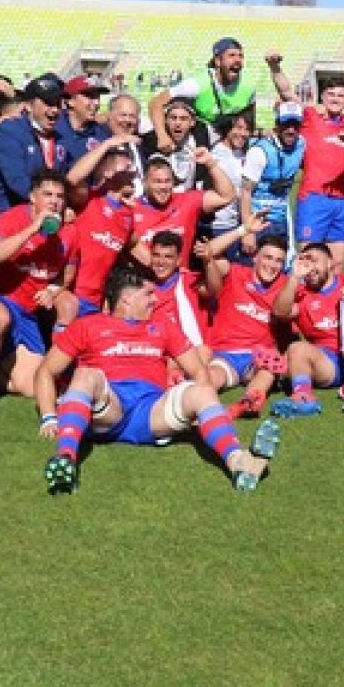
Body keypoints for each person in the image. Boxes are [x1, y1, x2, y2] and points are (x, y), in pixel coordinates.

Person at [35, 266, 282, 494]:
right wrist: (49, 417)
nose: (156, 299)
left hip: (152, 412)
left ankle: (239, 461)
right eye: (149, 294)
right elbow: (46, 370)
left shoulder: (163, 326)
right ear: (127, 299)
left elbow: (198, 370)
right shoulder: (88, 326)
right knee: (85, 374)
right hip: (109, 410)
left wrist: (204, 411)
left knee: (201, 391)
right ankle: (65, 457)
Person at [0, 170, 74, 419]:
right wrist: (33, 229)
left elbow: (66, 274)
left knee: (32, 387)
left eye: (60, 196)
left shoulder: (68, 232)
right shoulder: (12, 218)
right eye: (47, 195)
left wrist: (52, 290)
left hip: (25, 313)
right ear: (33, 197)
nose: (54, 201)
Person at [198, 216, 293, 419]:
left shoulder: (285, 285)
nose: (273, 265)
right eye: (268, 257)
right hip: (225, 353)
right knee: (214, 376)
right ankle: (196, 402)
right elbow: (209, 251)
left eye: (279, 261)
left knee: (269, 370)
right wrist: (243, 231)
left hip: (259, 357)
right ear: (255, 257)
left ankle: (248, 402)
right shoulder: (235, 273)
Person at [0, 73, 70, 262]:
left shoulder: (60, 139)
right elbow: (18, 181)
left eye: (58, 104)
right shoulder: (10, 131)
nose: (54, 110)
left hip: (28, 222)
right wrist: (59, 208)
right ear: (28, 105)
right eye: (48, 103)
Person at [270, 243, 344, 419]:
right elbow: (280, 312)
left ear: (329, 263)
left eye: (314, 261)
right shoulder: (301, 295)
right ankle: (303, 398)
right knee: (297, 349)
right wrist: (294, 278)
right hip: (330, 362)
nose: (309, 267)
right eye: (304, 262)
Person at [60, 146, 137, 317]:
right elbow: (71, 180)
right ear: (108, 173)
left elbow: (135, 246)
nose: (131, 170)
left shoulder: (127, 215)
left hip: (96, 301)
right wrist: (108, 143)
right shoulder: (88, 198)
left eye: (132, 166)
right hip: (69, 293)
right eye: (125, 166)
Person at [148, 37, 262, 147]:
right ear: (218, 61)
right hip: (199, 137)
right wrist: (162, 135)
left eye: (241, 56)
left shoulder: (248, 86)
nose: (238, 60)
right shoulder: (197, 84)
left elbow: (250, 119)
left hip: (228, 138)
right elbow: (156, 103)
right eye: (231, 55)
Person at [129, 153, 235, 268]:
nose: (163, 187)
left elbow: (226, 196)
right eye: (157, 181)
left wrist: (211, 164)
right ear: (145, 182)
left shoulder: (186, 201)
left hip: (180, 276)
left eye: (167, 181)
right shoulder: (131, 209)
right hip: (143, 277)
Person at [293, 78, 344, 268]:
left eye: (340, 95)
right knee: (309, 260)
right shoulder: (311, 116)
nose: (335, 99)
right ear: (322, 97)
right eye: (331, 94)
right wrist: (275, 68)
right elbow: (287, 94)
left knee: (337, 263)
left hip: (341, 200)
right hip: (313, 198)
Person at [240, 103, 305, 259]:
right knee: (253, 267)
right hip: (257, 222)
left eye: (295, 125)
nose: (291, 130)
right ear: (277, 125)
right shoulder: (259, 151)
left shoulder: (301, 144)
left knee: (280, 268)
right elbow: (245, 192)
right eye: (286, 124)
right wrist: (247, 231)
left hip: (281, 220)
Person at [206, 111, 254, 247]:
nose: (243, 133)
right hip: (216, 225)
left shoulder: (242, 153)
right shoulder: (215, 155)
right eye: (238, 128)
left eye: (247, 129)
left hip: (235, 223)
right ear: (227, 128)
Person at [140, 97, 208, 193]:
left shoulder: (202, 136)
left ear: (192, 122)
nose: (177, 123)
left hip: (190, 196)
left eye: (183, 119)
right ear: (165, 120)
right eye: (173, 118)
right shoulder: (151, 140)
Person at [56, 75, 111, 164]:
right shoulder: (52, 127)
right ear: (70, 101)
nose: (96, 102)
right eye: (90, 96)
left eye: (97, 97)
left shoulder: (102, 134)